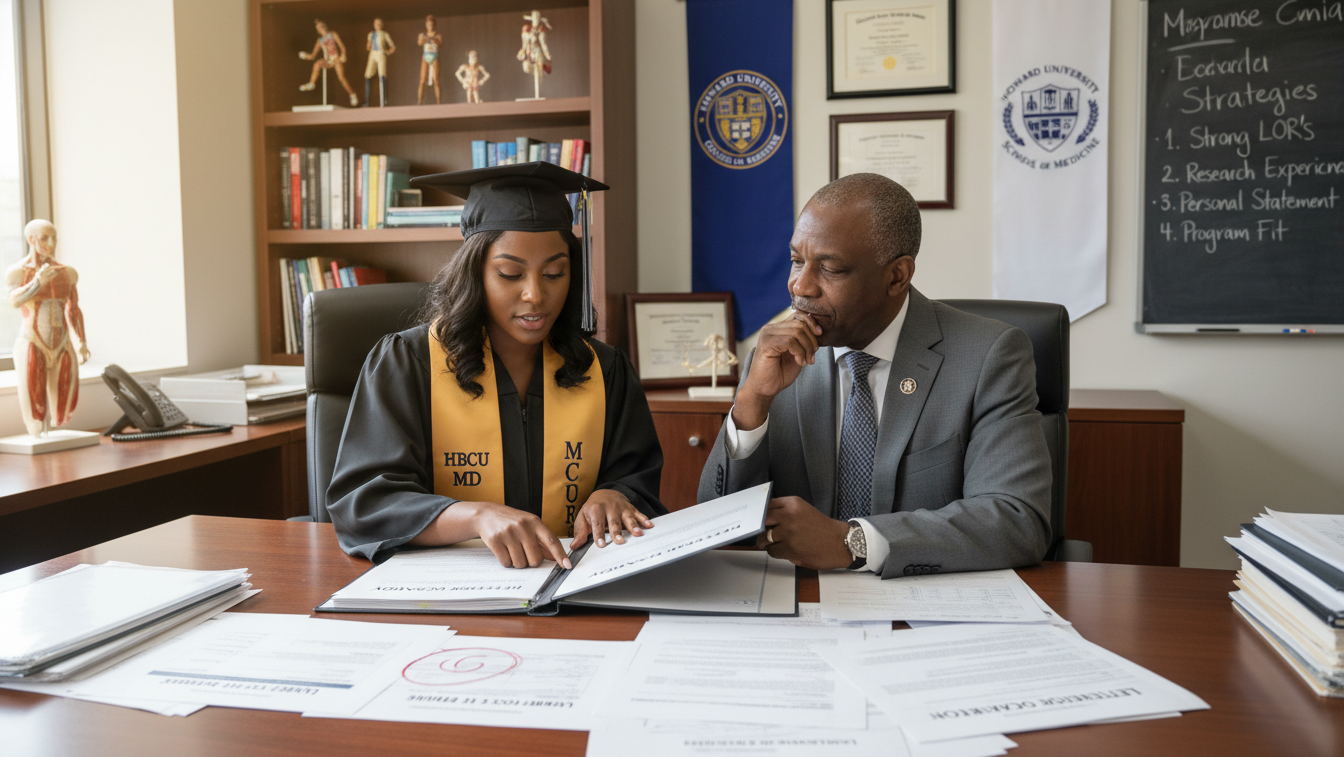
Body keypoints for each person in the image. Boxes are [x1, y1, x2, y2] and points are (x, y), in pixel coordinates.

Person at [696, 174, 1052, 578]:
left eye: (829, 269)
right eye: (797, 261)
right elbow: (716, 528)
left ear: (897, 276)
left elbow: (1016, 519)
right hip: (799, 608)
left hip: (924, 610)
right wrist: (751, 404)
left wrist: (852, 542)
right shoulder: (774, 358)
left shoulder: (988, 356)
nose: (800, 285)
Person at [329, 163, 666, 567]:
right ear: (475, 272)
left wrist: (616, 494)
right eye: (510, 273)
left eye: (555, 273)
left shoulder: (605, 369)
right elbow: (365, 502)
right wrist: (476, 516)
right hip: (449, 589)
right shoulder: (410, 362)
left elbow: (637, 480)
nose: (535, 295)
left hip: (575, 580)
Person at [5, 219, 90, 437]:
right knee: (34, 403)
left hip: (62, 342)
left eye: (54, 238)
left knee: (64, 403)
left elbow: (73, 309)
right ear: (31, 239)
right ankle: (37, 431)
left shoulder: (67, 273)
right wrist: (36, 283)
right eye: (44, 238)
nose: (50, 244)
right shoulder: (18, 272)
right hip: (32, 339)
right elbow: (14, 301)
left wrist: (81, 341)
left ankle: (52, 429)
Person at [299, 19, 359, 107]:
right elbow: (313, 56)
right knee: (317, 64)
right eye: (318, 27)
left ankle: (352, 95)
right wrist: (305, 56)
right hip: (327, 60)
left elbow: (342, 47)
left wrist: (343, 55)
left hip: (336, 59)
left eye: (321, 26)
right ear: (317, 30)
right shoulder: (320, 41)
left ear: (324, 26)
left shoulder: (333, 34)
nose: (320, 28)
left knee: (341, 78)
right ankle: (312, 83)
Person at [364, 18, 396, 107]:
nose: (377, 25)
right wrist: (368, 45)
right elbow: (368, 47)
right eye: (376, 23)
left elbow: (393, 46)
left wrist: (387, 52)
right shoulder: (371, 35)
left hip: (381, 54)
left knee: (382, 76)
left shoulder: (384, 34)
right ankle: (367, 101)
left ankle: (384, 99)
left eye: (379, 23)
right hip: (373, 54)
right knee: (367, 76)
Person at [416, 15, 443, 105]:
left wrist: (434, 39)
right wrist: (425, 39)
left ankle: (439, 102)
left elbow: (440, 44)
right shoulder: (422, 35)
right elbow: (419, 43)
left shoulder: (438, 35)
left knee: (436, 80)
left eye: (431, 25)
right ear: (426, 25)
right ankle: (419, 102)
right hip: (426, 56)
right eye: (428, 25)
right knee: (422, 80)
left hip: (434, 55)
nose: (430, 26)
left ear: (434, 25)